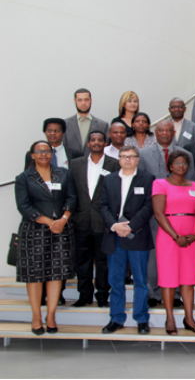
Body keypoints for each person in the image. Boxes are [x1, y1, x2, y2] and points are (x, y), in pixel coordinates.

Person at [15, 140, 77, 335]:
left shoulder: (63, 173)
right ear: (32, 155)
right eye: (39, 152)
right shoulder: (24, 178)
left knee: (56, 273)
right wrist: (50, 222)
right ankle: (36, 316)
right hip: (34, 230)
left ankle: (51, 315)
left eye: (47, 151)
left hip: (61, 229)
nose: (43, 155)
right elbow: (24, 206)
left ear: (52, 154)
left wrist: (63, 219)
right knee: (34, 275)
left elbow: (72, 198)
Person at [138, 120, 195, 307]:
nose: (164, 133)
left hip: (180, 214)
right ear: (155, 132)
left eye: (168, 130)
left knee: (180, 255)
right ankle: (153, 292)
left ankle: (177, 294)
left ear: (173, 132)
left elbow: (191, 182)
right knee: (155, 256)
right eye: (161, 130)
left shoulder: (185, 154)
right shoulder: (144, 154)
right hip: (156, 213)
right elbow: (142, 184)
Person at [100, 145, 155, 334]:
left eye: (132, 156)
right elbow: (103, 206)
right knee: (115, 280)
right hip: (114, 235)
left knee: (140, 280)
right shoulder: (109, 180)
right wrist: (115, 226)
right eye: (124, 156)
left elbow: (149, 207)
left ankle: (141, 319)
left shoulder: (147, 179)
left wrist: (131, 226)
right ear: (119, 159)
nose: (128, 159)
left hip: (137, 236)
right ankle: (116, 318)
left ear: (138, 159)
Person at [152, 151, 195, 335]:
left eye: (184, 163)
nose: (181, 166)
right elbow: (159, 214)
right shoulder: (160, 184)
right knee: (168, 280)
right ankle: (170, 318)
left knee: (188, 279)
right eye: (177, 163)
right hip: (169, 236)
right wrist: (176, 236)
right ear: (170, 166)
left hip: (191, 238)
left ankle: (189, 318)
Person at [69, 131, 121, 308]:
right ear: (88, 144)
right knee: (82, 262)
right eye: (93, 140)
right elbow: (71, 192)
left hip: (103, 222)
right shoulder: (75, 165)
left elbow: (117, 192)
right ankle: (84, 296)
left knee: (103, 262)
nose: (97, 143)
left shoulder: (114, 164)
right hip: (80, 220)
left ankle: (102, 296)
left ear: (105, 143)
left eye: (100, 140)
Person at [64, 88, 110, 156]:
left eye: (86, 100)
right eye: (80, 100)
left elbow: (106, 148)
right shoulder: (65, 124)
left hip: (94, 164)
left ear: (91, 100)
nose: (83, 103)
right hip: (71, 164)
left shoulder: (102, 125)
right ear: (75, 101)